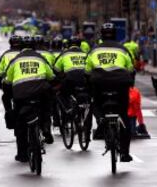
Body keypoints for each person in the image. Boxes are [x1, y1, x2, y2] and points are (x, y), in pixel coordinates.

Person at [85, 23, 135, 162]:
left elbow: (87, 71)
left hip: (100, 84)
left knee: (95, 103)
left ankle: (101, 120)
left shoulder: (94, 50)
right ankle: (125, 153)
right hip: (120, 84)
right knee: (124, 117)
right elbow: (131, 69)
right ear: (115, 34)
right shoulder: (123, 50)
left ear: (101, 35)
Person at [3, 36, 55, 162]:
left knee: (20, 124)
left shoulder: (15, 60)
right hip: (40, 93)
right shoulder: (40, 58)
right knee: (46, 109)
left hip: (21, 95)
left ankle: (22, 154)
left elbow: (8, 80)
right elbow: (51, 75)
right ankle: (46, 128)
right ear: (34, 47)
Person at [54, 36, 90, 131]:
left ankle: (68, 108)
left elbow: (56, 69)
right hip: (83, 80)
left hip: (69, 80)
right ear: (80, 45)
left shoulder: (64, 54)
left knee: (59, 94)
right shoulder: (85, 54)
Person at [0, 35, 21, 112]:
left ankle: (9, 113)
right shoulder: (24, 53)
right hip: (22, 81)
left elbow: (0, 71)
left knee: (5, 97)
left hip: (9, 83)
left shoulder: (5, 55)